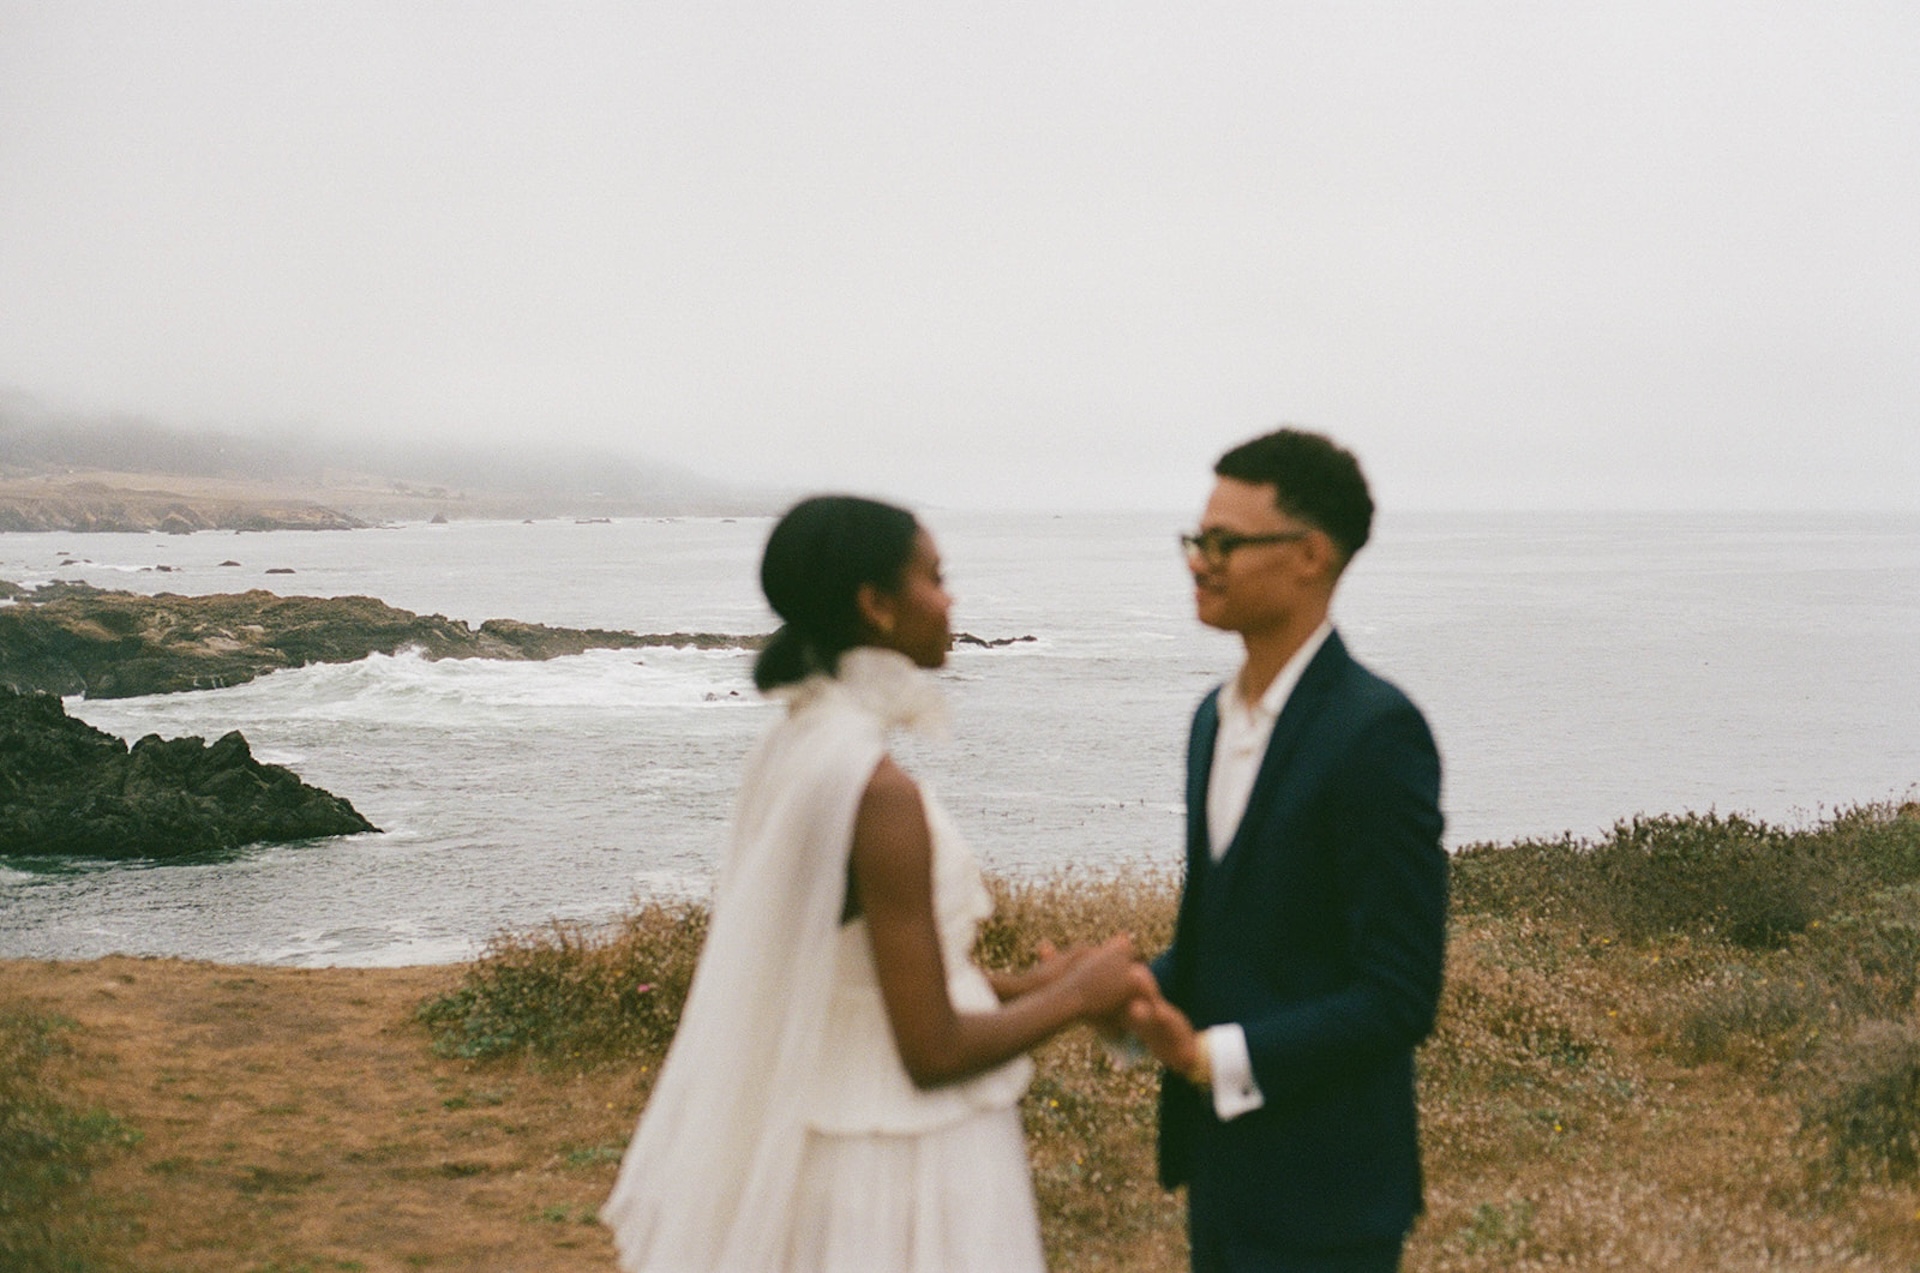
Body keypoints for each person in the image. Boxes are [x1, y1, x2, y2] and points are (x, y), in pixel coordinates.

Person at [602, 494, 1141, 1273]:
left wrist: (1027, 982)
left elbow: (868, 975)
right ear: (876, 605)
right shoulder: (876, 789)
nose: (951, 599)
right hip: (898, 1159)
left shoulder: (797, 740)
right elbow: (930, 1047)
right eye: (935, 576)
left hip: (831, 1123)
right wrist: (1078, 996)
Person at [1124, 429, 1448, 1272]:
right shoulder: (1211, 719)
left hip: (1331, 1193)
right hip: (1223, 1172)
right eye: (1197, 538)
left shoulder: (1376, 732)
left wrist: (1211, 1054)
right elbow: (1222, 942)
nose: (1200, 560)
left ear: (1310, 555)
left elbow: (1399, 993)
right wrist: (1122, 996)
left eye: (1226, 541)